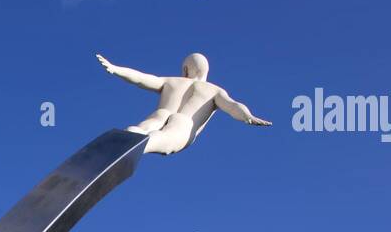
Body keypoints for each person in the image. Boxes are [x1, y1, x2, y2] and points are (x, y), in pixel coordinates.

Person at [96, 52, 271, 155]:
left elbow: (142, 78)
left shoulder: (172, 81)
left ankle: (134, 134)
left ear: (185, 69)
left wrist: (116, 69)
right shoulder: (215, 90)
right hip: (184, 121)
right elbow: (233, 106)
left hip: (162, 113)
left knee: (142, 129)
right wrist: (247, 116)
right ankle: (144, 144)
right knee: (164, 138)